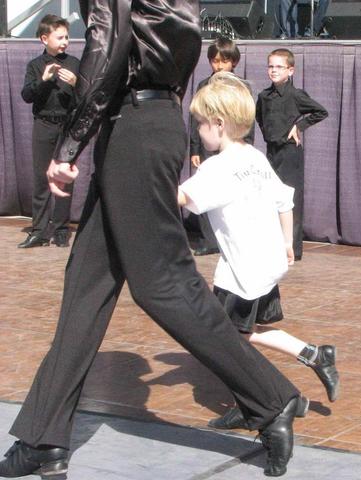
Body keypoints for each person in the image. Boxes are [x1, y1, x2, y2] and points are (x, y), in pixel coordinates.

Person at [0, 1, 301, 478]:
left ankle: (273, 398)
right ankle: (44, 437)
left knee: (163, 284)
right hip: (146, 123)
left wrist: (70, 145)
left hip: (133, 129)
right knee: (86, 285)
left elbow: (105, 48)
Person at [179, 72, 340, 430]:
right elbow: (284, 198)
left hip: (242, 271)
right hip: (265, 262)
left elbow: (177, 197)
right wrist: (287, 243)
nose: (198, 132)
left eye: (201, 124)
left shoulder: (218, 167)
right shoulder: (253, 155)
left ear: (218, 124)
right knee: (239, 334)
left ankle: (270, 398)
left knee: (223, 341)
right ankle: (313, 355)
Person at [256, 48, 328, 261]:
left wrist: (299, 126)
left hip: (289, 153)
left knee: (291, 199)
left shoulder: (296, 95)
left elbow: (321, 112)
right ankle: (274, 245)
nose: (274, 70)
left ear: (291, 70)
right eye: (271, 66)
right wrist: (270, 134)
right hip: (272, 152)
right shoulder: (263, 96)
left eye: (279, 67)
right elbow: (259, 118)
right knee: (270, 199)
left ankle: (293, 250)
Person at [18, 14, 79, 249]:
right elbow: (26, 96)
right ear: (44, 38)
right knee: (42, 178)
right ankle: (39, 230)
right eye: (59, 37)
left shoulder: (74, 63)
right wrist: (43, 80)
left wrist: (76, 83)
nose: (65, 41)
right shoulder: (35, 65)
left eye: (66, 37)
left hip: (67, 127)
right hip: (43, 125)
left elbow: (85, 97)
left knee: (64, 178)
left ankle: (61, 228)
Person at [188, 36, 242, 257]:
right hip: (206, 147)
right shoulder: (203, 86)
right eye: (215, 61)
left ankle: (232, 238)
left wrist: (245, 145)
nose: (219, 66)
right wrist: (194, 149)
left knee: (231, 192)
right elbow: (195, 119)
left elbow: (244, 118)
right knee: (206, 191)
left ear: (233, 63)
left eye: (224, 61)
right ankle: (208, 240)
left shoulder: (238, 87)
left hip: (231, 145)